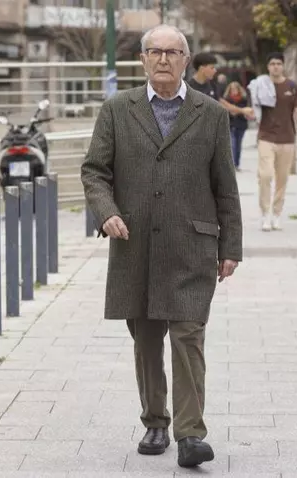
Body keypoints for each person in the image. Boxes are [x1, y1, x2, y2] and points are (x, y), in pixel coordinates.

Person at [80, 24, 243, 467]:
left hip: (192, 245)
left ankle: (191, 435)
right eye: (155, 52)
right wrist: (106, 211)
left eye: (173, 52)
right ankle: (155, 421)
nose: (164, 59)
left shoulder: (211, 113)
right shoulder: (118, 109)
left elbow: (225, 187)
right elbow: (94, 171)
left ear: (186, 60)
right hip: (136, 245)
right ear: (143, 60)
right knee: (147, 340)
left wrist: (231, 246)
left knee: (188, 338)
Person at [248, 52, 297, 232]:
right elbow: (254, 107)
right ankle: (265, 213)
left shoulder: (292, 86)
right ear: (268, 67)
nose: (275, 67)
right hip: (266, 137)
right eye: (272, 63)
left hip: (287, 139)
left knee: (282, 179)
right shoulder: (261, 85)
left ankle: (277, 214)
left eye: (279, 63)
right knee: (265, 175)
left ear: (283, 66)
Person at [189, 53, 255, 122]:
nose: (215, 70)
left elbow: (221, 103)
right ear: (202, 68)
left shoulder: (212, 84)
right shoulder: (189, 88)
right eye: (212, 68)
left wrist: (243, 111)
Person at [221, 81, 250, 170]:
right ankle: (232, 164)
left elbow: (246, 111)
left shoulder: (243, 99)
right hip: (230, 124)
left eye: (235, 89)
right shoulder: (226, 99)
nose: (234, 91)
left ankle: (237, 164)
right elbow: (225, 110)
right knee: (232, 144)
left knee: (238, 145)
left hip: (241, 124)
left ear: (239, 89)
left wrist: (236, 111)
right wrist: (236, 111)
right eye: (232, 89)